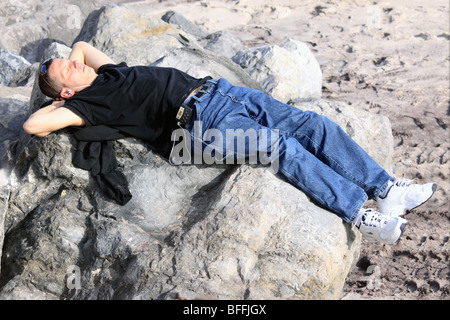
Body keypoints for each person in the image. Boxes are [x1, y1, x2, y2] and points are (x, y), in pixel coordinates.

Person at [23, 41, 437, 245]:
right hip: (200, 125)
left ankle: (385, 190)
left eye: (71, 61)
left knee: (314, 125)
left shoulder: (108, 74)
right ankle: (358, 214)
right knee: (280, 148)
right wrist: (55, 87)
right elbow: (33, 126)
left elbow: (81, 47)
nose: (76, 62)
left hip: (222, 92)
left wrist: (60, 66)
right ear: (66, 95)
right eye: (69, 71)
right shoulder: (90, 105)